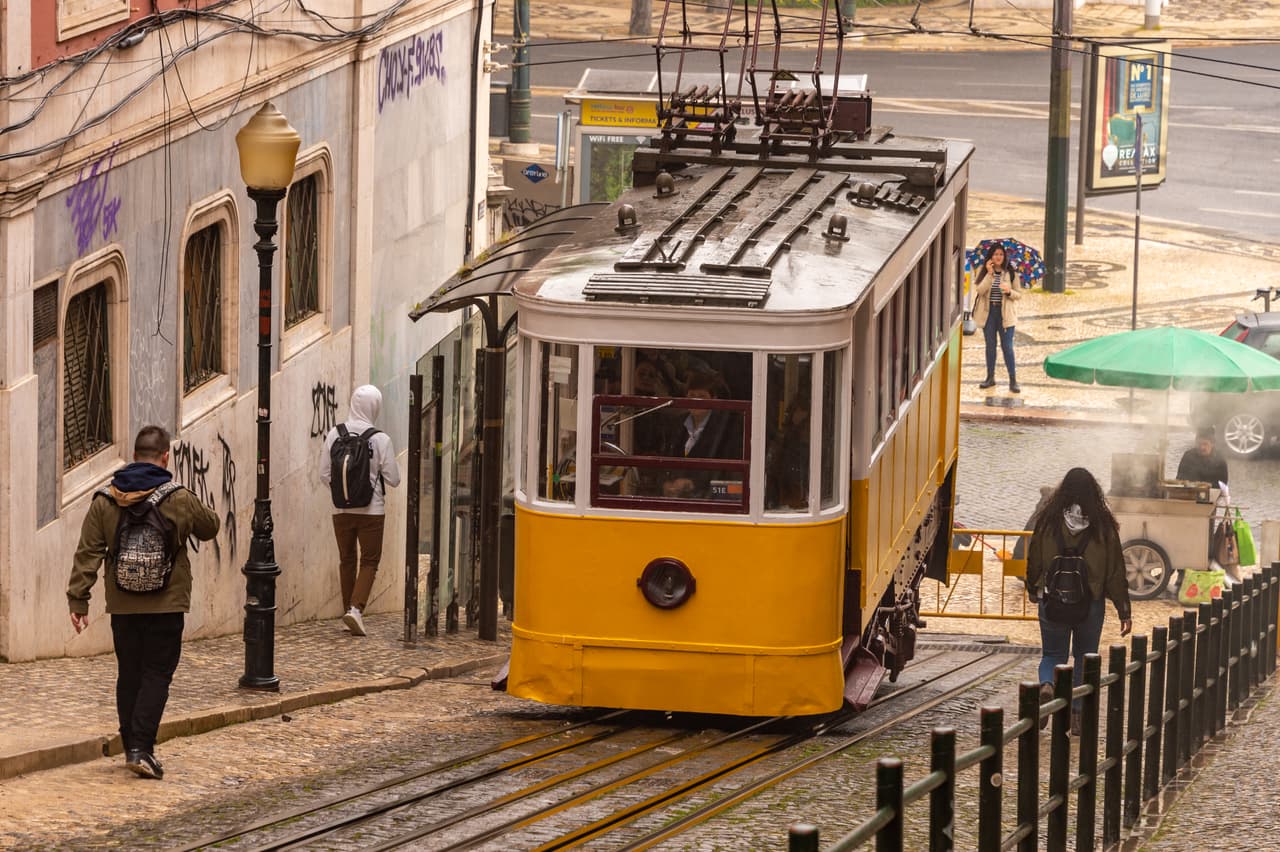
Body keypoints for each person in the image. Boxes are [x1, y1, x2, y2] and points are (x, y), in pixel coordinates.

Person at [67, 425, 220, 780]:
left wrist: (78, 599)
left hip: (123, 605)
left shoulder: (105, 500)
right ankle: (141, 748)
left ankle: (130, 745)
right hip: (167, 605)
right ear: (165, 457)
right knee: (157, 674)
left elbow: (88, 553)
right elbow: (210, 526)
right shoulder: (178, 498)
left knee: (129, 673)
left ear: (133, 456)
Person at [1026, 467, 1132, 734]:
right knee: (1085, 657)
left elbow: (1035, 557)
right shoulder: (1103, 526)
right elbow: (1115, 571)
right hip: (1090, 603)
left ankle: (1047, 685)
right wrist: (1123, 609)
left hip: (1052, 600)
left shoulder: (1048, 521)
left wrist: (1032, 587)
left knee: (1052, 654)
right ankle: (1077, 716)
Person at [320, 385, 401, 636]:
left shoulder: (334, 434)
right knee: (369, 561)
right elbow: (394, 479)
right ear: (375, 407)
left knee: (346, 560)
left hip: (340, 510)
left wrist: (345, 494)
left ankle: (348, 609)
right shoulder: (380, 439)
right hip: (371, 511)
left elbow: (324, 474)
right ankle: (355, 610)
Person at [661, 370, 744, 499]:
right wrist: (666, 483)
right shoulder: (677, 424)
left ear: (714, 400)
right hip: (676, 498)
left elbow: (725, 474)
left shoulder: (726, 430)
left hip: (708, 500)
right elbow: (666, 461)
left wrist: (693, 483)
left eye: (702, 396)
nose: (696, 401)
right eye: (692, 395)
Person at [971, 245, 1023, 393]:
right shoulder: (984, 270)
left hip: (1005, 315)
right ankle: (990, 377)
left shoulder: (1011, 272)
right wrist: (989, 274)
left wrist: (1009, 291)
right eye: (995, 254)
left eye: (1000, 254)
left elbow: (1018, 294)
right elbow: (980, 290)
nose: (998, 257)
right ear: (990, 257)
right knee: (990, 346)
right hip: (989, 314)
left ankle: (1013, 380)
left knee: (1007, 347)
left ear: (1004, 256)